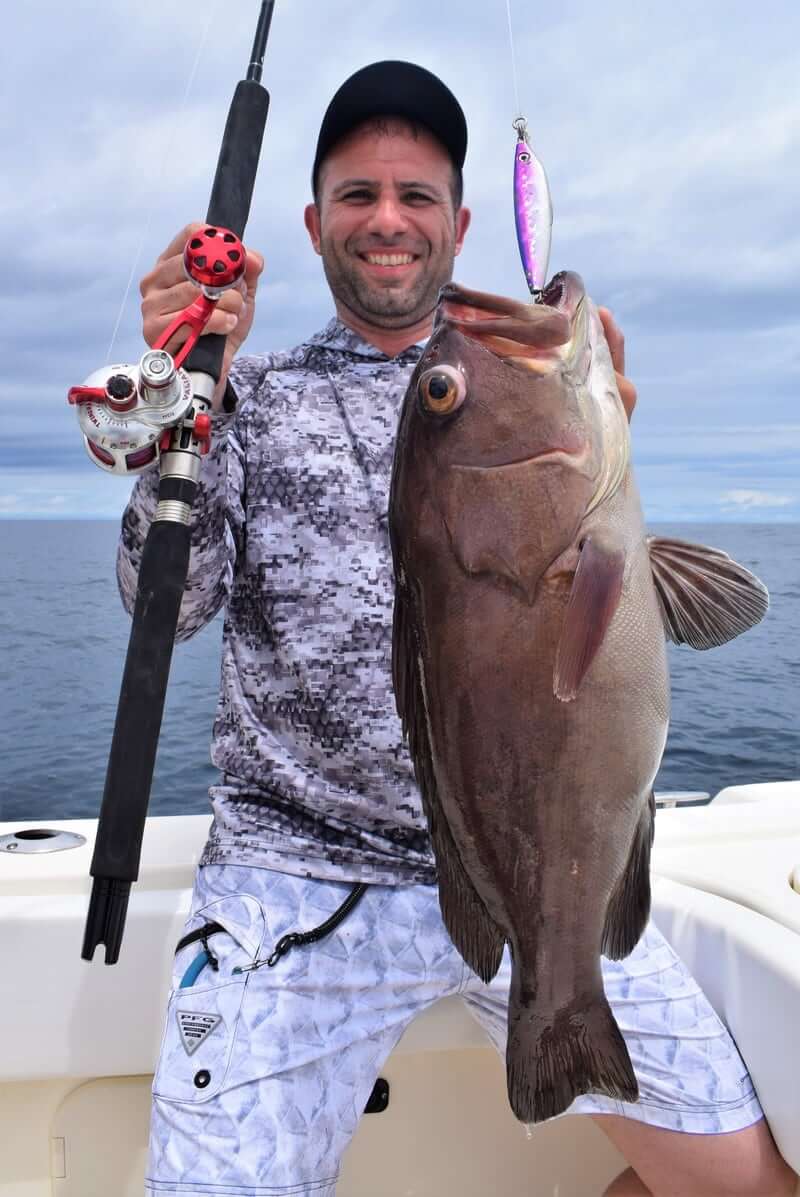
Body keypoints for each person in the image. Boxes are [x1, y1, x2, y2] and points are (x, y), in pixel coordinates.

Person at [125, 61, 795, 1197]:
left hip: (546, 866)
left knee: (748, 1185)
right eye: (357, 194)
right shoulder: (256, 396)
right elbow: (167, 606)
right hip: (293, 877)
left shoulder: (504, 369)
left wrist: (595, 464)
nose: (387, 219)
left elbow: (688, 605)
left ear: (461, 222)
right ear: (313, 224)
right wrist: (182, 406)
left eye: (417, 195)